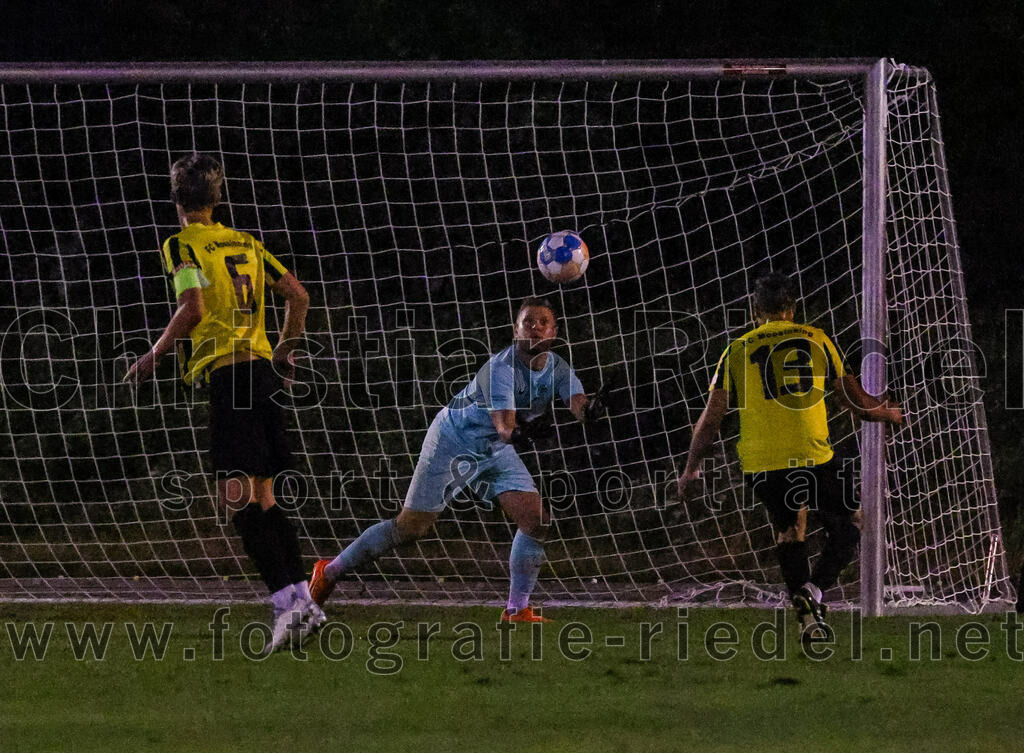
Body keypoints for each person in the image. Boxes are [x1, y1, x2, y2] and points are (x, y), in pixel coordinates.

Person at [124, 152, 323, 652]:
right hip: (261, 373)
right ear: (218, 199)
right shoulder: (248, 242)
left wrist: (154, 353)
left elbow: (191, 307)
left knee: (235, 499)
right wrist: (285, 351)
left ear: (175, 200)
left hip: (231, 376)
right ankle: (303, 599)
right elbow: (297, 296)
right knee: (263, 496)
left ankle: (286, 605)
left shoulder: (180, 244)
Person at [310, 297, 606, 621]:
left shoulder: (558, 368)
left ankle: (517, 608)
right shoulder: (501, 369)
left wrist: (588, 411)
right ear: (515, 330)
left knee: (536, 521)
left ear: (554, 332)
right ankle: (329, 571)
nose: (535, 327)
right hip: (452, 442)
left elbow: (577, 401)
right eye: (528, 322)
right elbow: (505, 428)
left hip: (492, 450)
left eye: (542, 322)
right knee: (410, 528)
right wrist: (527, 432)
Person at [677, 271, 902, 642]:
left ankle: (809, 621)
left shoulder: (737, 348)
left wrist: (691, 468)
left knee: (789, 530)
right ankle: (811, 593)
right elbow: (858, 406)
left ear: (755, 311)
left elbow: (710, 419)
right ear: (793, 309)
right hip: (812, 457)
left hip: (761, 463)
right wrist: (888, 413)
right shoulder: (817, 339)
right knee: (854, 523)